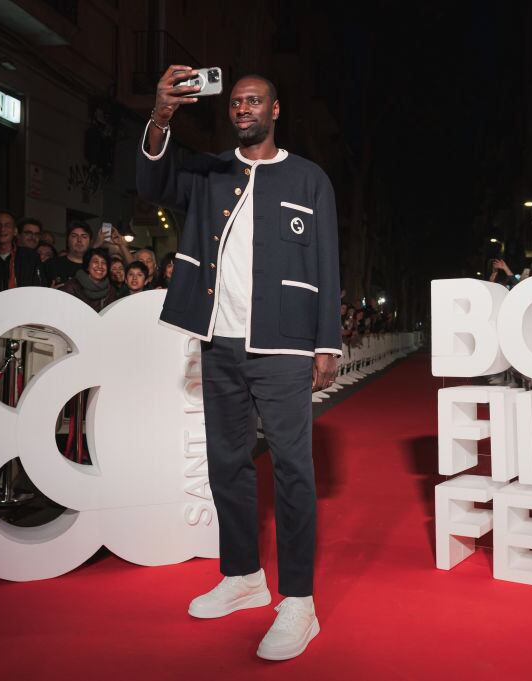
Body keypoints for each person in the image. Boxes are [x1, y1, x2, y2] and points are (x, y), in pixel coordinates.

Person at [137, 67, 341, 661]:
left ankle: (299, 601)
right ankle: (243, 576)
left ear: (275, 110)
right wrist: (161, 115)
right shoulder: (209, 171)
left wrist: (326, 342)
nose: (243, 108)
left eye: (254, 100)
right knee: (227, 464)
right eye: (235, 102)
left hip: (283, 346)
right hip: (218, 341)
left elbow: (327, 263)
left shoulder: (309, 179)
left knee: (293, 471)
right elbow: (152, 182)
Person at [43, 222, 92, 287]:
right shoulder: (51, 264)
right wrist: (50, 292)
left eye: (84, 237)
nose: (79, 240)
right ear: (67, 240)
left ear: (90, 242)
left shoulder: (95, 268)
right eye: (74, 236)